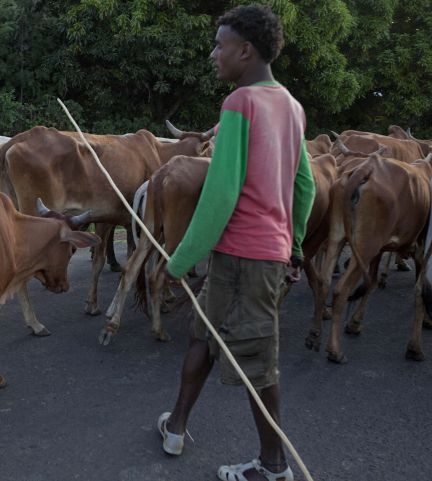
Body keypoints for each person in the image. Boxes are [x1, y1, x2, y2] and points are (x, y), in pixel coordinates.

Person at [156, 4, 315, 481]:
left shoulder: (238, 105)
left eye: (220, 45)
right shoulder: (291, 105)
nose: (213, 54)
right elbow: (304, 185)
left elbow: (222, 192)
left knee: (256, 360)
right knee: (203, 333)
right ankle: (176, 426)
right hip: (257, 253)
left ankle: (273, 466)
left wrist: (178, 261)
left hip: (248, 257)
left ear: (245, 51)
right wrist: (297, 243)